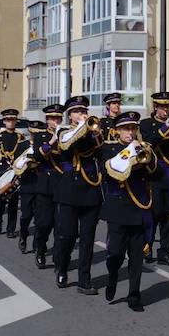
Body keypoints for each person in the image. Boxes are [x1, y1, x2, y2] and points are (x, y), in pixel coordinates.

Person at [101, 112, 156, 312]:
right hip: (117, 209)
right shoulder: (108, 149)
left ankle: (134, 295)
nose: (130, 133)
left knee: (136, 257)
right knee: (114, 254)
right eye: (126, 129)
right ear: (117, 131)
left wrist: (144, 154)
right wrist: (130, 151)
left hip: (139, 209)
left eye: (133, 128)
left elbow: (154, 171)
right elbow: (110, 170)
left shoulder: (144, 147)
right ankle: (113, 277)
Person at [49, 96, 104, 293]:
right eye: (77, 111)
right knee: (68, 236)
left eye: (84, 110)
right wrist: (83, 127)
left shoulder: (93, 132)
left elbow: (100, 150)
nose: (82, 114)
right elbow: (66, 144)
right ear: (70, 115)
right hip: (69, 189)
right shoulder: (62, 130)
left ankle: (84, 280)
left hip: (90, 189)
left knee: (88, 238)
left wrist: (94, 131)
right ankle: (62, 268)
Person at [140, 92, 169, 266]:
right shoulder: (146, 124)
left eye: (168, 107)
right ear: (156, 107)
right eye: (163, 107)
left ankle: (165, 251)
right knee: (153, 214)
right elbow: (148, 142)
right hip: (155, 175)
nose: (166, 110)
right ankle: (147, 246)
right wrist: (166, 129)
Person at [32, 104, 65, 268]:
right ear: (47, 120)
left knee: (61, 227)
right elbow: (38, 156)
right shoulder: (41, 136)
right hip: (45, 185)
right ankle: (40, 247)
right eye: (53, 118)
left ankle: (59, 260)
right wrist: (53, 140)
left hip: (63, 186)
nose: (56, 121)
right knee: (44, 223)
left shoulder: (67, 135)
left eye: (59, 118)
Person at [16, 119, 50, 250]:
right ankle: (23, 235)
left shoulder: (45, 146)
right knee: (26, 216)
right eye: (32, 133)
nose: (34, 135)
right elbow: (17, 163)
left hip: (42, 185)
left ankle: (38, 242)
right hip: (27, 184)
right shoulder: (22, 145)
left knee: (40, 219)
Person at [0, 109, 23, 236]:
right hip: (1, 170)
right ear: (4, 121)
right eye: (8, 120)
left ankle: (11, 229)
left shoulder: (20, 136)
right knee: (0, 199)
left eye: (13, 120)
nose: (10, 122)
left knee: (13, 201)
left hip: (15, 171)